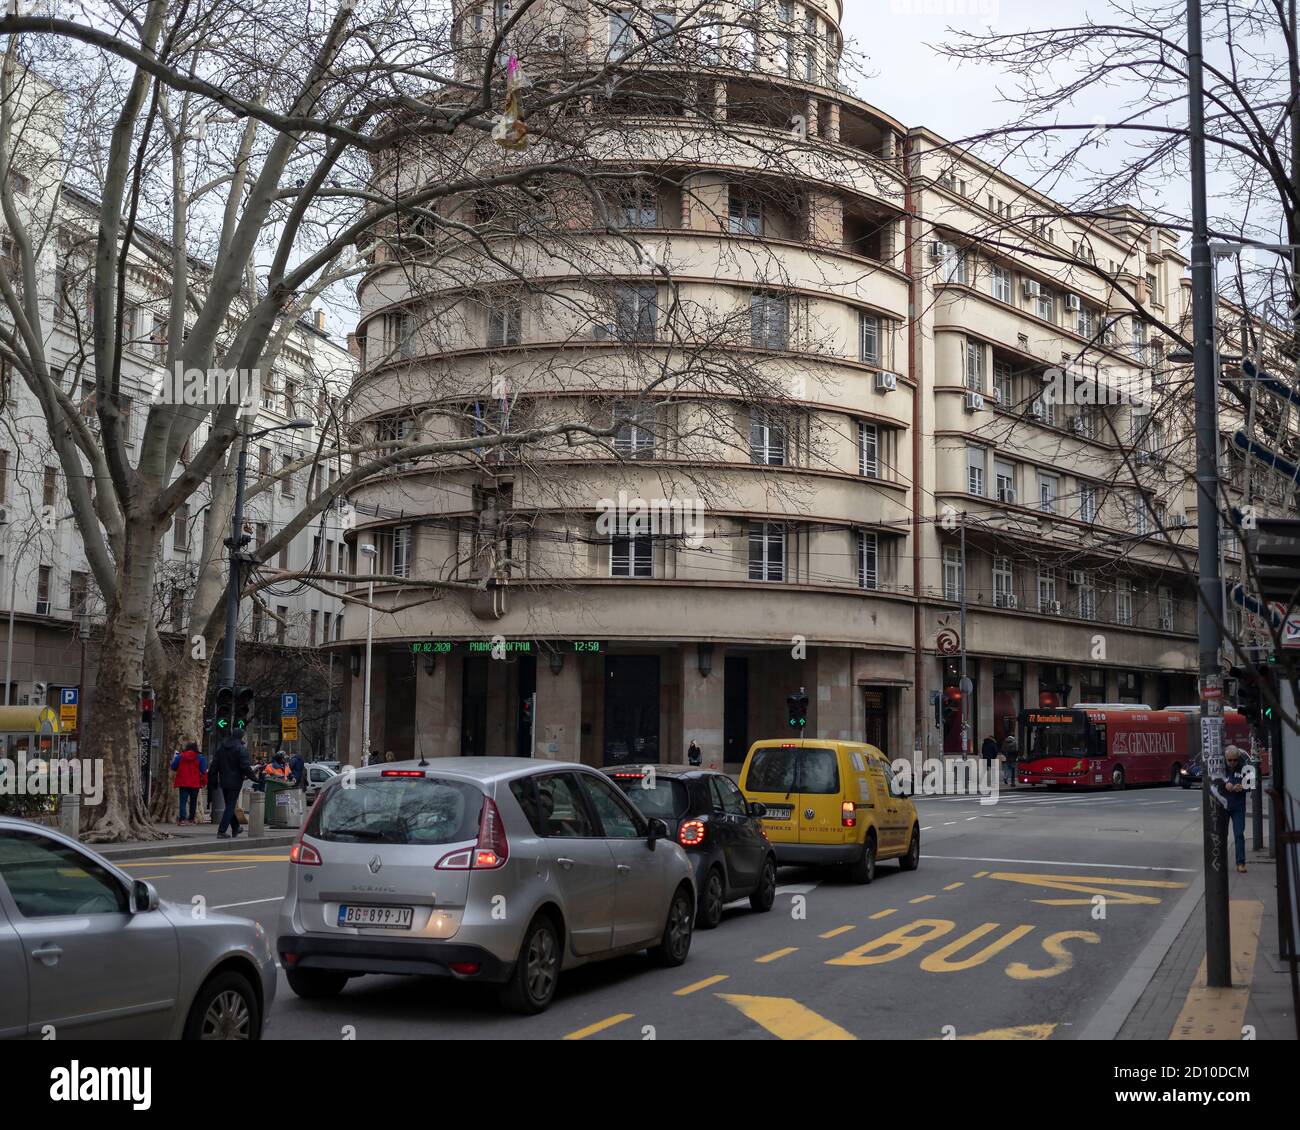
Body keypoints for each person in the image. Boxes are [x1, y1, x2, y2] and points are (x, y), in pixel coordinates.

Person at [212, 733, 256, 838]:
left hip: (223, 781)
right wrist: (255, 778)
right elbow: (245, 767)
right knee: (230, 806)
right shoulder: (240, 749)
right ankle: (221, 831)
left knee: (229, 805)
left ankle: (236, 827)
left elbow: (214, 764)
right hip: (236, 781)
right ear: (241, 737)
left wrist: (212, 779)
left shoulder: (221, 748)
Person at [1223, 746, 1251, 873]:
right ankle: (1220, 862)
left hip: (1238, 805)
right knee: (1222, 835)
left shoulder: (1245, 765)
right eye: (1230, 760)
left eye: (1235, 760)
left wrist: (1242, 787)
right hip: (1223, 805)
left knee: (1239, 834)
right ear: (1226, 758)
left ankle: (1240, 863)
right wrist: (1225, 784)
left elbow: (1250, 785)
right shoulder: (1220, 766)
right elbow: (1212, 780)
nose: (1232, 762)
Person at [170, 741, 207, 825]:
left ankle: (182, 819)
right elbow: (203, 770)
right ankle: (191, 819)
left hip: (183, 782)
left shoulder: (180, 756)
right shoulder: (200, 758)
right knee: (193, 801)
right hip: (195, 783)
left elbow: (173, 766)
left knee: (183, 801)